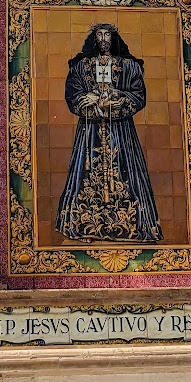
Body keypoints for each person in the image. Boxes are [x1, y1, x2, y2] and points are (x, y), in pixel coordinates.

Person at [56, 23, 163, 243]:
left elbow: (138, 95)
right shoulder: (81, 67)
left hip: (121, 131)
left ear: (113, 38)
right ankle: (86, 225)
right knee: (85, 175)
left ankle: (131, 226)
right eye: (99, 34)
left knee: (127, 174)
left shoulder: (129, 66)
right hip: (90, 130)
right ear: (94, 38)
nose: (103, 38)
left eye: (107, 34)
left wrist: (117, 96)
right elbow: (73, 95)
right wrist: (90, 102)